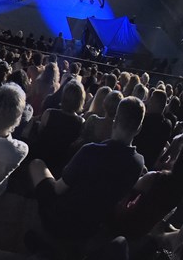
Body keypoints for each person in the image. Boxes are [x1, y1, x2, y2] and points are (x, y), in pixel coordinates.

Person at [29, 97, 146, 243]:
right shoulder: (138, 163)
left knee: (37, 164)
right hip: (89, 229)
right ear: (139, 129)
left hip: (59, 219)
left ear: (115, 121)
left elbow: (58, 189)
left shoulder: (90, 151)